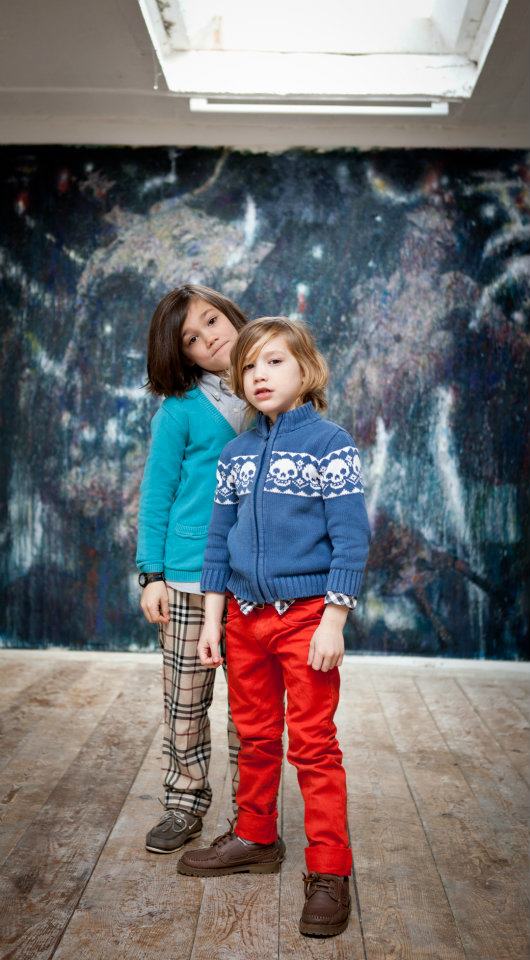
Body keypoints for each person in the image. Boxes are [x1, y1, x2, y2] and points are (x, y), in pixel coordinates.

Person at [177, 316, 371, 938]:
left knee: (313, 744)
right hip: (243, 618)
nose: (259, 374)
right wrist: (213, 621)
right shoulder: (235, 455)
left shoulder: (330, 444)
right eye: (249, 366)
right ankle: (256, 836)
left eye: (275, 361)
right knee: (256, 736)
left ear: (306, 370)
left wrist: (333, 621)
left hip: (306, 618)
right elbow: (217, 542)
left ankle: (330, 869)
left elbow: (351, 539)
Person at [136, 283, 249, 854]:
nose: (208, 338)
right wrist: (151, 573)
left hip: (254, 579)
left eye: (212, 320)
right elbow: (157, 491)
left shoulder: (271, 389)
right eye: (190, 338)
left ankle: (253, 816)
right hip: (187, 576)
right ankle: (184, 803)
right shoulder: (179, 411)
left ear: (231, 315)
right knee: (185, 703)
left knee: (251, 710)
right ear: (180, 355)